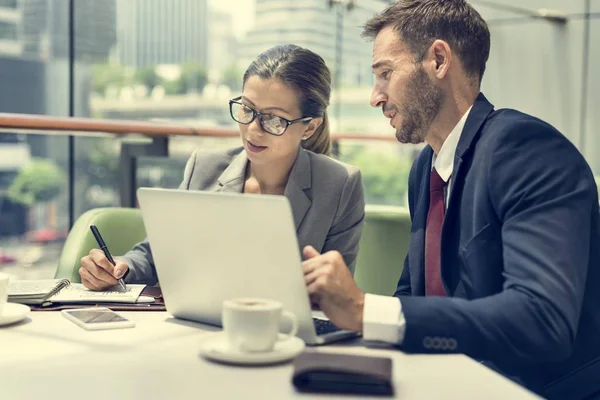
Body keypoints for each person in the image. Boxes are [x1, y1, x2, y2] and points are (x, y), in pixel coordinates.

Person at [301, 1, 600, 399]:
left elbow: (541, 321)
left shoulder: (528, 150)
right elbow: (412, 295)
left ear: (439, 60)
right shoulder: (425, 167)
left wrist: (366, 311)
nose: (375, 96)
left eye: (385, 74)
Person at [79, 44, 365, 291]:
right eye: (247, 109)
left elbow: (335, 290)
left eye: (274, 120)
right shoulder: (204, 167)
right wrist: (120, 267)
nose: (253, 129)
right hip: (199, 325)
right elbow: (157, 254)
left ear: (309, 127)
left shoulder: (340, 185)